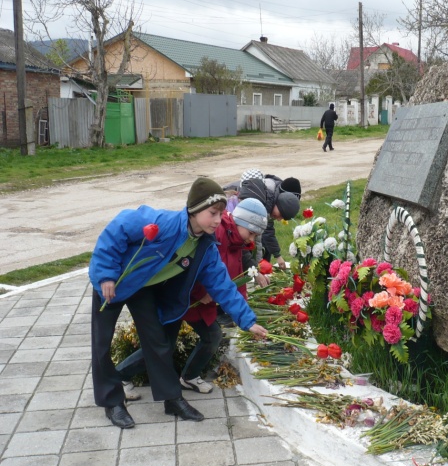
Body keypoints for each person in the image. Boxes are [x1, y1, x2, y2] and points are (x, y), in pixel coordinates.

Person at [89, 177, 268, 429]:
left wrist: (248, 321)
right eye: (213, 214)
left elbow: (223, 286)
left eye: (221, 214)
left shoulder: (206, 247)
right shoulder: (162, 223)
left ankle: (172, 399)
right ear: (194, 209)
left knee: (158, 341)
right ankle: (112, 401)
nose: (218, 220)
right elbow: (117, 228)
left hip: (142, 287)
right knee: (101, 342)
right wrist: (106, 274)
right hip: (115, 281)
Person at [119, 197, 268, 397]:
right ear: (241, 222)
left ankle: (189, 377)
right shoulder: (218, 233)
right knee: (163, 345)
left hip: (200, 300)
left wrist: (245, 315)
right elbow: (194, 267)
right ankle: (118, 375)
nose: (251, 240)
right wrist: (202, 292)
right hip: (183, 296)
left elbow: (231, 278)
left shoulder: (236, 241)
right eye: (251, 233)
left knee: (211, 336)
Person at [234, 170, 301, 270]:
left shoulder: (271, 199)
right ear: (280, 204)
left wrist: (258, 265)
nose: (279, 219)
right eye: (281, 215)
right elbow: (260, 237)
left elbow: (262, 234)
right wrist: (256, 267)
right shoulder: (262, 203)